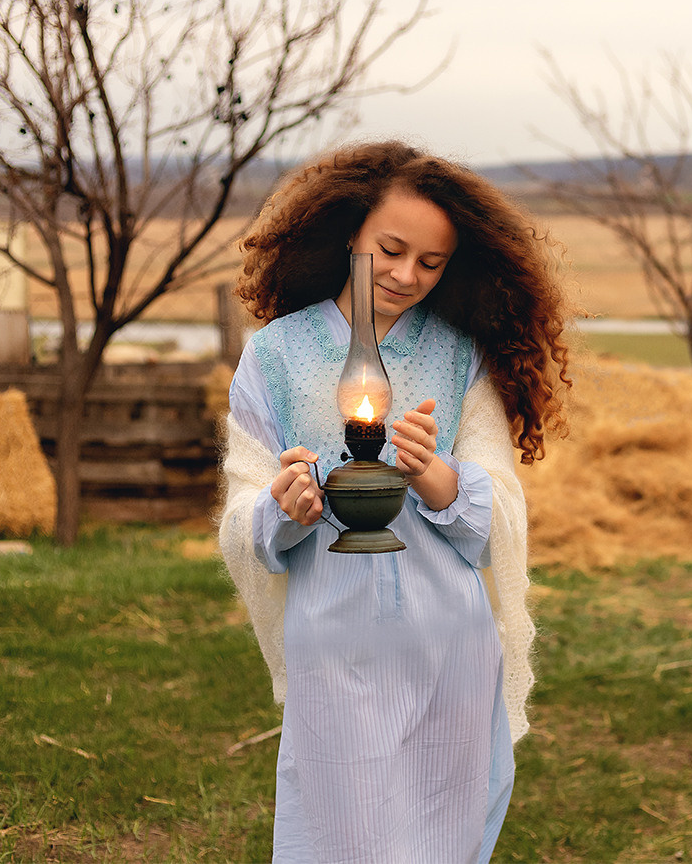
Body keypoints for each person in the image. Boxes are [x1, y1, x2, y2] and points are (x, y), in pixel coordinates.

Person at [217, 140, 572, 864]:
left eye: (431, 263)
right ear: (351, 232)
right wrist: (282, 507)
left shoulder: (458, 354)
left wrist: (438, 477)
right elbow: (242, 521)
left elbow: (500, 515)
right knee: (335, 833)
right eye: (391, 249)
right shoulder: (275, 358)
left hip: (448, 646)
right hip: (334, 641)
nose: (407, 275)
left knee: (445, 831)